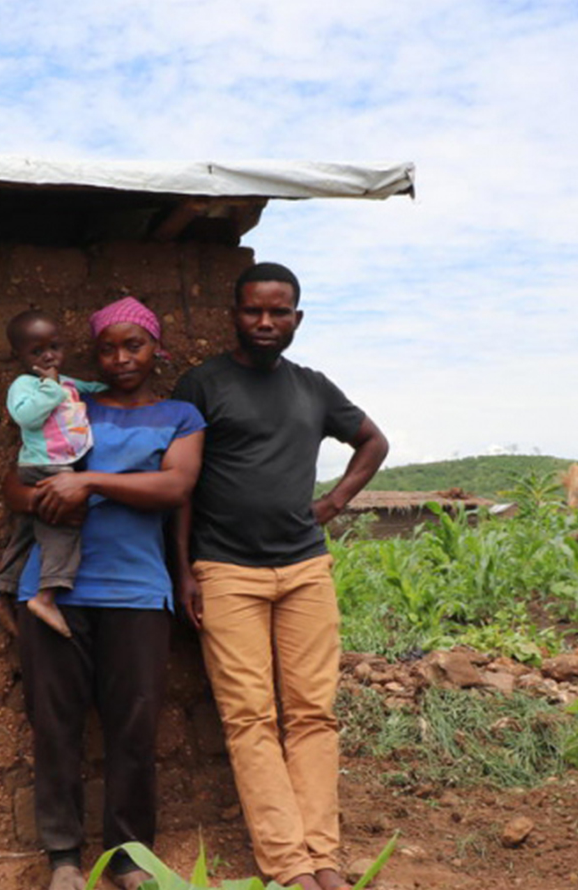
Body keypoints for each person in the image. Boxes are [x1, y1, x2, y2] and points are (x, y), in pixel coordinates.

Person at [173, 263, 389, 890]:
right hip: (227, 571)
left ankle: (324, 859)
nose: (265, 323)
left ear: (297, 317)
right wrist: (185, 568)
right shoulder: (203, 384)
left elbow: (372, 442)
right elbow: (181, 487)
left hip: (304, 568)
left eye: (279, 312)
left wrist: (334, 503)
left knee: (313, 715)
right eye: (253, 311)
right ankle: (289, 866)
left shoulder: (312, 388)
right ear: (233, 314)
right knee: (250, 719)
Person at [4, 297, 204, 890]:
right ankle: (64, 857)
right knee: (55, 724)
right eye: (109, 348)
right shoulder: (69, 402)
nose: (121, 358)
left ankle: (127, 859)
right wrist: (47, 496)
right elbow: (15, 485)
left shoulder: (180, 416)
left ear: (156, 348)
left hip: (138, 592)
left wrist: (87, 481)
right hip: (51, 589)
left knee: (134, 728)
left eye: (134, 345)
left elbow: (175, 485)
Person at [0, 311, 107, 638]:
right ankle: (46, 596)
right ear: (20, 356)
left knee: (26, 533)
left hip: (55, 462)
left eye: (54, 346)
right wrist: (51, 388)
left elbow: (93, 390)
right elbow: (25, 417)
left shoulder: (66, 383)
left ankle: (1, 593)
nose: (48, 356)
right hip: (47, 465)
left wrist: (107, 389)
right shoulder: (25, 385)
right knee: (62, 528)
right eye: (37, 351)